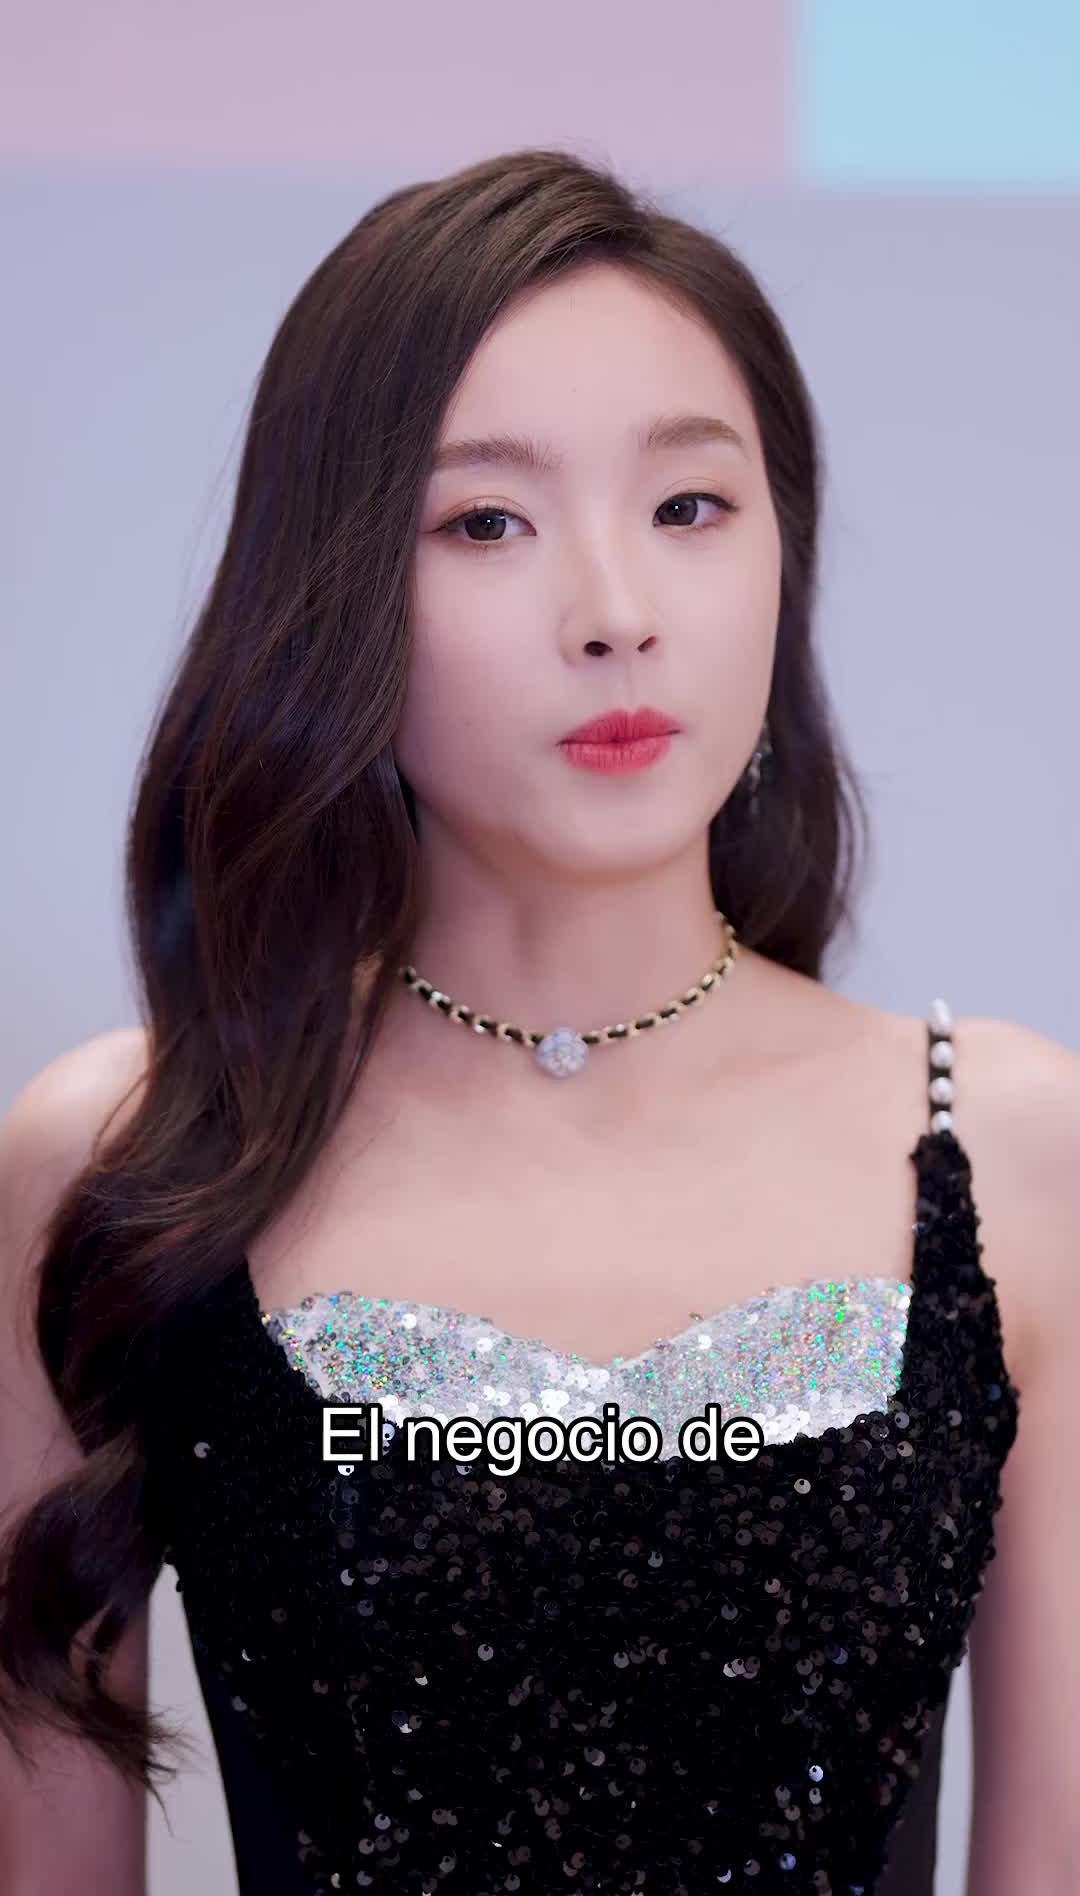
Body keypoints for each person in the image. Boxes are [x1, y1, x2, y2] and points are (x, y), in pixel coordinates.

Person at [0, 147, 1076, 1896]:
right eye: (485, 523)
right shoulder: (126, 1163)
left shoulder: (1009, 1151)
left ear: (783, 553)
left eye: (691, 507)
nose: (618, 616)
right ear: (334, 588)